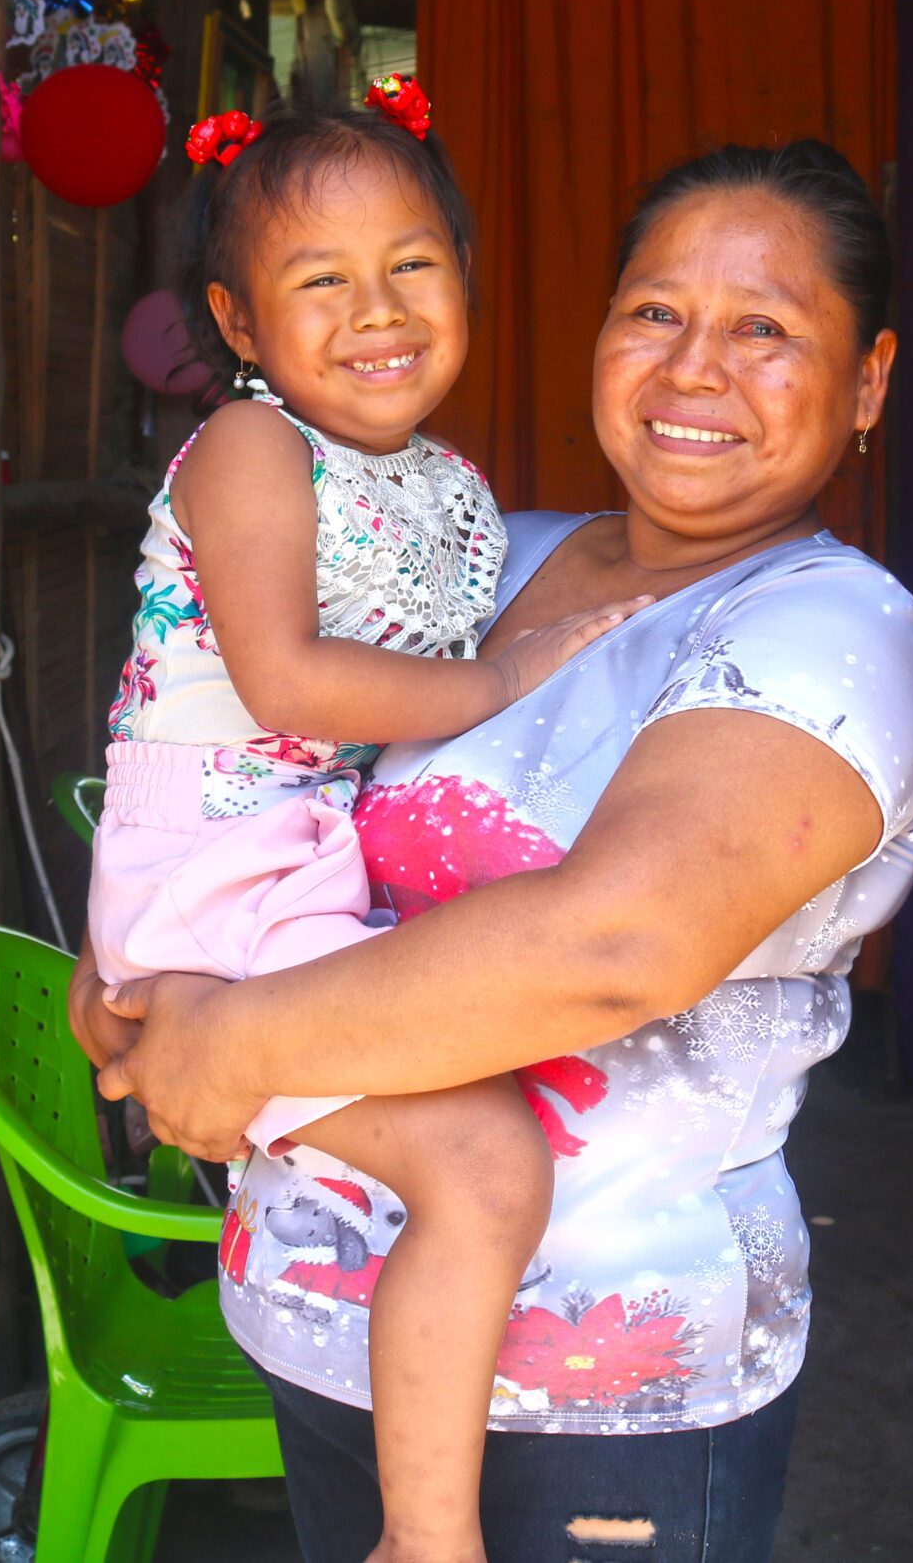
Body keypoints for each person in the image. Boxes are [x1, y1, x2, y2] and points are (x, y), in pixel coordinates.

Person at [74, 139, 913, 1563]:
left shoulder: (831, 628)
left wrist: (225, 1040)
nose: (693, 368)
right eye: (655, 311)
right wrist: (132, 968)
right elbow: (246, 744)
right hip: (319, 1333)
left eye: (767, 330)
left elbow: (614, 945)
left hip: (598, 1398)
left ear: (867, 381)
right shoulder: (484, 554)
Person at [88, 80, 643, 1563]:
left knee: (503, 1099)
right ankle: (427, 1536)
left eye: (412, 264)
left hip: (285, 864)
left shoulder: (452, 490)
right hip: (220, 863)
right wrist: (499, 676)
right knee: (486, 1163)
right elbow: (286, 678)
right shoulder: (254, 451)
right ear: (243, 324)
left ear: (464, 276)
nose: (376, 309)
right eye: (318, 282)